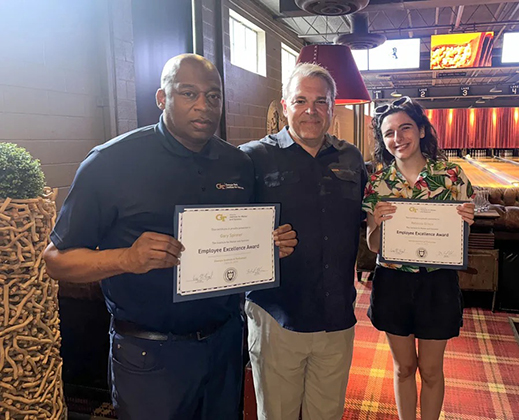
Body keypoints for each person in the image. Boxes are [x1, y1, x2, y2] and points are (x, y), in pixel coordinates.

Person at [43, 54, 297, 420]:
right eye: (188, 93)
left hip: (224, 344)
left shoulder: (238, 164)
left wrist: (270, 244)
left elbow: (246, 236)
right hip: (149, 355)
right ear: (162, 98)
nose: (203, 106)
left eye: (213, 96)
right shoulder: (110, 163)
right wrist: (126, 259)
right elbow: (55, 261)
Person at [239, 63, 367, 420]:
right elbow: (229, 229)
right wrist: (259, 240)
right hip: (277, 314)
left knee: (326, 414)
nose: (311, 110)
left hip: (336, 316)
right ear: (284, 106)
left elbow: (368, 221)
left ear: (333, 107)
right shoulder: (252, 158)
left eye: (320, 102)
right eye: (300, 101)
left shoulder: (351, 158)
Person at [362, 96, 475, 420]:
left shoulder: (452, 176)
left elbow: (459, 240)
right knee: (403, 368)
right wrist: (380, 224)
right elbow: (373, 245)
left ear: (422, 130)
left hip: (436, 282)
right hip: (393, 282)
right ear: (383, 141)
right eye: (389, 133)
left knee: (430, 369)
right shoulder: (379, 183)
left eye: (405, 128)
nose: (398, 138)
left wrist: (465, 223)